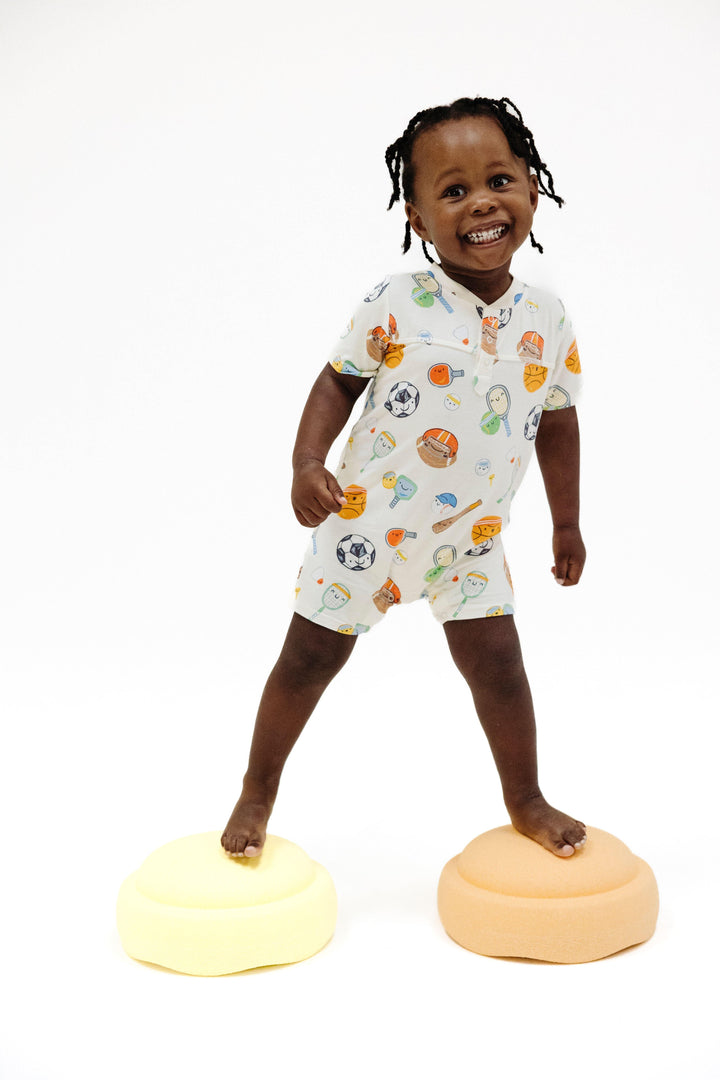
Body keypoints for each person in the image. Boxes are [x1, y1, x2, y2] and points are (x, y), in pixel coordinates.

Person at [222, 95, 587, 861]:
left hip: (471, 540)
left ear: (531, 187)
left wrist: (565, 522)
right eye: (453, 191)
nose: (481, 201)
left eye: (500, 180)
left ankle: (526, 798)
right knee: (308, 662)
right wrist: (306, 463)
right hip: (364, 527)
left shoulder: (547, 318)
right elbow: (337, 382)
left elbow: (557, 421)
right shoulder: (397, 302)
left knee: (500, 669)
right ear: (418, 219)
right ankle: (257, 791)